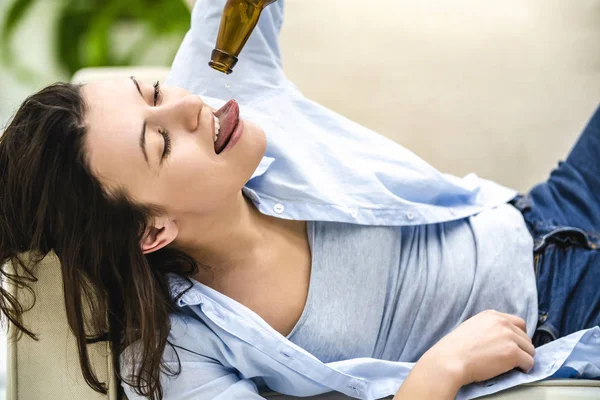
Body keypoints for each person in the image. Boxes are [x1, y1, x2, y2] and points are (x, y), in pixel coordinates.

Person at [0, 0, 599, 399]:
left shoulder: (217, 77)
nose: (187, 107)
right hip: (562, 317)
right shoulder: (181, 357)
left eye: (153, 88)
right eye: (159, 141)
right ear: (151, 229)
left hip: (552, 208)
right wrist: (437, 375)